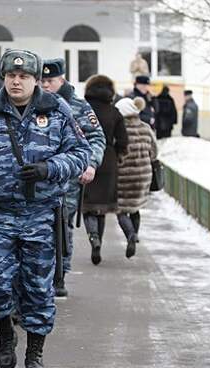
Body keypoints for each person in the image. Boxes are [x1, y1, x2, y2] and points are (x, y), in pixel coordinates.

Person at [0, 49, 91, 368]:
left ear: (34, 80)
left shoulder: (56, 110)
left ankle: (35, 351)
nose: (17, 81)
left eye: (24, 76)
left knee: (38, 288)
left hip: (41, 213)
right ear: (3, 78)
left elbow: (81, 154)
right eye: (11, 76)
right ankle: (6, 334)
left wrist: (50, 168)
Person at [40, 58, 106, 297]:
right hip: (41, 177)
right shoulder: (35, 104)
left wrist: (90, 164)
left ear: (62, 80)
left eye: (50, 81)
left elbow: (97, 138)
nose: (46, 85)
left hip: (68, 179)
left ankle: (60, 275)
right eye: (42, 81)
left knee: (62, 226)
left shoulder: (79, 106)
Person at [82, 75, 129, 265]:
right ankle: (97, 239)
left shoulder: (83, 110)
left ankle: (94, 237)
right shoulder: (114, 112)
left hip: (85, 159)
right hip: (108, 161)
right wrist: (116, 155)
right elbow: (123, 140)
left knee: (87, 206)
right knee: (101, 207)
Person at [114, 97, 158, 258]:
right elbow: (154, 152)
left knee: (120, 210)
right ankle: (135, 234)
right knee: (135, 208)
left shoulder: (119, 130)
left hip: (123, 176)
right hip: (143, 175)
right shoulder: (146, 128)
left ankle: (131, 234)